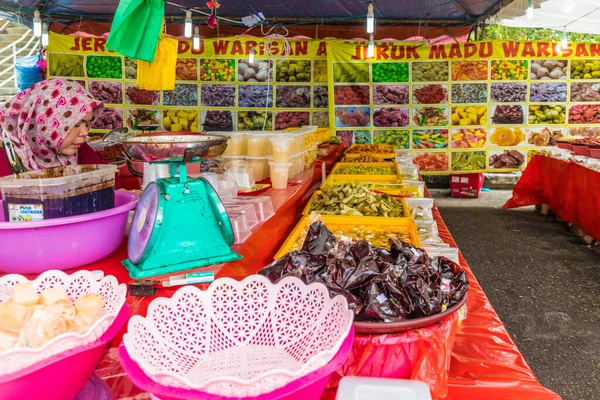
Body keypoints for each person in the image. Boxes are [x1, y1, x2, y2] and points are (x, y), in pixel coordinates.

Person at [0, 78, 121, 187]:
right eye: (76, 124)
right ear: (45, 123)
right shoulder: (5, 158)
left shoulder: (80, 151)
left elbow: (112, 183)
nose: (84, 132)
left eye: (87, 124)